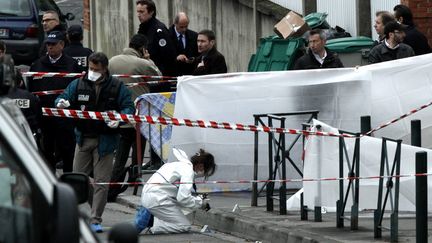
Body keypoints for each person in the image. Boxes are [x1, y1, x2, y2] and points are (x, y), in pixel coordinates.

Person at [54, 52, 135, 233]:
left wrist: (120, 120)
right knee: (78, 179)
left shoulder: (117, 87)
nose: (92, 72)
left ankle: (95, 219)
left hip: (106, 142)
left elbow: (129, 107)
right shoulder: (79, 84)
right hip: (83, 139)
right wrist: (62, 103)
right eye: (90, 68)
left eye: (96, 69)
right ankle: (75, 216)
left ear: (105, 69)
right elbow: (61, 97)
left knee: (101, 182)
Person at [108, 34, 161, 201]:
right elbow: (159, 77)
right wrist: (149, 59)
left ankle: (114, 182)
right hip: (139, 115)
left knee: (121, 150)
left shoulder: (112, 61)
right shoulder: (142, 63)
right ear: (142, 48)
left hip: (120, 113)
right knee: (138, 148)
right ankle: (134, 177)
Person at [28, 31, 80, 172]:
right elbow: (32, 90)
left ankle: (69, 178)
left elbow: (77, 88)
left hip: (64, 117)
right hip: (45, 116)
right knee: (46, 150)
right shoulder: (37, 65)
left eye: (53, 44)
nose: (49, 47)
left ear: (62, 45)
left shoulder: (71, 65)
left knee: (67, 149)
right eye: (48, 44)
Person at [136, 148, 216, 234]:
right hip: (157, 199)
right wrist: (201, 203)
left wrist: (197, 200)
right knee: (184, 226)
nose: (203, 174)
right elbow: (183, 198)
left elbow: (176, 193)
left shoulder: (177, 164)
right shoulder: (188, 171)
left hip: (148, 195)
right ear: (201, 165)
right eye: (205, 171)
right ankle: (154, 227)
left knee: (176, 208)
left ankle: (154, 218)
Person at [136, 0, 176, 91]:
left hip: (159, 79)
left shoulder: (159, 30)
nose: (138, 15)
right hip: (147, 75)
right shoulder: (143, 28)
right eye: (138, 12)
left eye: (142, 12)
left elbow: (168, 57)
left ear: (151, 12)